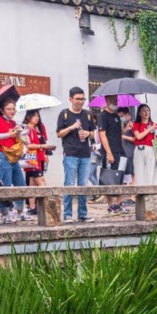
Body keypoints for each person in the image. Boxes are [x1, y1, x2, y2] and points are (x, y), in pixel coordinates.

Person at [0, 98, 32, 223]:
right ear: (2, 110)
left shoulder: (13, 123)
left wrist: (22, 132)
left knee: (21, 184)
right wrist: (8, 134)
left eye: (13, 109)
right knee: (5, 185)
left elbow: (23, 139)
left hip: (13, 156)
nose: (12, 111)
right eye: (9, 109)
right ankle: (5, 213)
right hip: (1, 155)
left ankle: (19, 211)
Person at [56, 87, 96, 223]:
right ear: (71, 99)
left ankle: (83, 214)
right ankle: (67, 214)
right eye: (78, 99)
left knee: (83, 184)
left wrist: (88, 134)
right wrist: (71, 127)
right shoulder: (65, 114)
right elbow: (59, 133)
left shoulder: (88, 114)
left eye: (83, 99)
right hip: (70, 154)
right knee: (69, 183)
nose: (81, 102)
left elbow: (94, 133)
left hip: (85, 154)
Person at [97, 95, 127, 215]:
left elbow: (116, 133)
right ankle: (110, 206)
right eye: (111, 100)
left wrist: (125, 130)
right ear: (106, 100)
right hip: (110, 152)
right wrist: (109, 153)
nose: (114, 102)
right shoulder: (103, 116)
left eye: (116, 100)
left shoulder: (116, 116)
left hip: (120, 150)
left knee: (121, 177)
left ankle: (119, 204)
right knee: (108, 179)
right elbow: (102, 135)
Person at [22, 110, 54, 216]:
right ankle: (44, 206)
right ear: (28, 117)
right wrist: (43, 146)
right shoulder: (27, 129)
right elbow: (29, 145)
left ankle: (32, 207)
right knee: (41, 182)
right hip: (32, 159)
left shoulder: (37, 129)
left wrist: (45, 151)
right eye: (34, 116)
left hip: (37, 158)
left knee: (32, 183)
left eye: (38, 116)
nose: (37, 118)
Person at [132, 104, 157, 214]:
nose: (146, 113)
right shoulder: (136, 125)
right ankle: (141, 198)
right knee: (139, 173)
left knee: (150, 173)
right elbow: (138, 137)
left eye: (148, 110)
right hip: (139, 149)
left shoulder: (154, 125)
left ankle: (151, 198)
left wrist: (155, 131)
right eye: (143, 111)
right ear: (139, 113)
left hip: (150, 149)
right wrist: (149, 130)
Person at [118, 107, 136, 206]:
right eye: (120, 116)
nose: (122, 118)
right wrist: (124, 131)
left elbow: (135, 139)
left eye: (122, 116)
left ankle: (133, 197)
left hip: (131, 152)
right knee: (123, 175)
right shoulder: (125, 125)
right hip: (123, 152)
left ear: (128, 115)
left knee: (133, 174)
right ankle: (121, 199)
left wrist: (123, 136)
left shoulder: (133, 125)